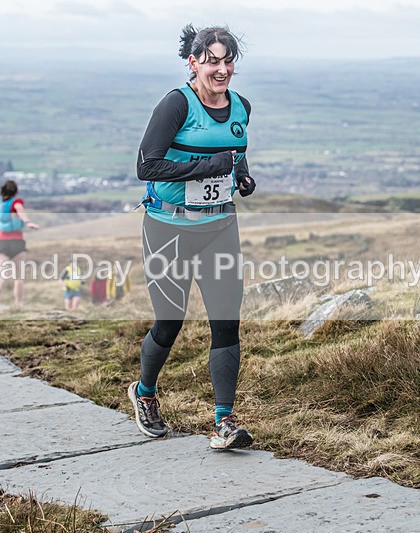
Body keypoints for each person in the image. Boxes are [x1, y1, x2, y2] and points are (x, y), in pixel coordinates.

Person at [128, 24, 257, 450]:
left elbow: (235, 153)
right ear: (194, 62)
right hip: (169, 228)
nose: (221, 69)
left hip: (220, 226)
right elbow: (147, 167)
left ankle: (224, 421)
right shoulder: (175, 105)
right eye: (212, 61)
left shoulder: (241, 107)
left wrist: (242, 175)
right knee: (170, 322)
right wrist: (207, 168)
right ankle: (144, 393)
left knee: (227, 323)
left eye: (227, 61)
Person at [0, 180, 39, 310]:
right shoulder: (16, 203)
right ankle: (18, 304)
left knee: (2, 273)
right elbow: (19, 210)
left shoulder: (0, 206)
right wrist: (28, 222)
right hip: (17, 241)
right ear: (16, 191)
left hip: (2, 242)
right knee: (19, 276)